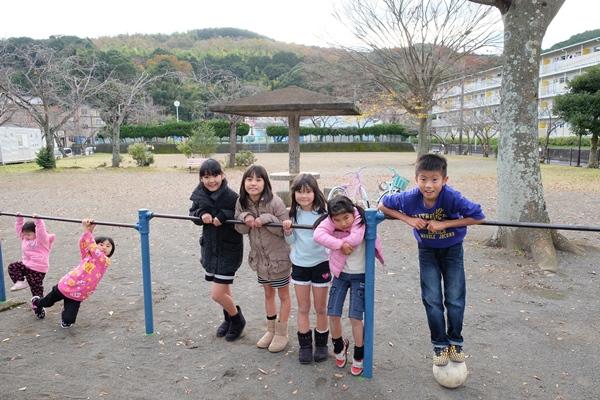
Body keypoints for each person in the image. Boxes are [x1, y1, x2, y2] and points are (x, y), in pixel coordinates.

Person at [378, 154, 485, 367]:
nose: (428, 185)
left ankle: (455, 341)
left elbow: (479, 217)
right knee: (432, 298)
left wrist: (445, 224)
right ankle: (439, 344)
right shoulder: (409, 198)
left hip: (452, 250)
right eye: (423, 179)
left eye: (434, 179)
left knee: (454, 298)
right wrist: (408, 219)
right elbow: (383, 205)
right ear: (416, 179)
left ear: (444, 180)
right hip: (427, 251)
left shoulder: (452, 197)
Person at [313, 196, 384, 376]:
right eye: (336, 220)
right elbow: (317, 234)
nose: (342, 223)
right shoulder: (331, 224)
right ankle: (339, 345)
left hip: (360, 276)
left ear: (352, 212)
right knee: (333, 313)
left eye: (346, 218)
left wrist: (341, 242)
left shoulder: (361, 220)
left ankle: (359, 354)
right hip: (341, 275)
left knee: (355, 317)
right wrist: (339, 244)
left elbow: (355, 238)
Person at [235, 165, 292, 353]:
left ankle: (282, 332)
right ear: (244, 183)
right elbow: (240, 229)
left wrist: (267, 218)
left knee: (283, 295)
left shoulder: (275, 202)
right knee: (268, 294)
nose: (253, 183)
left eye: (258, 179)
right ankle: (271, 330)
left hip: (278, 259)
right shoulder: (241, 202)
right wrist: (245, 217)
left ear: (265, 183)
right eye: (249, 179)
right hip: (260, 260)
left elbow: (283, 232)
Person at [189, 158, 245, 341]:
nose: (211, 180)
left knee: (217, 293)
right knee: (225, 290)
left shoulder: (231, 196)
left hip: (229, 250)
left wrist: (223, 216)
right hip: (211, 248)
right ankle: (228, 319)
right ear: (201, 179)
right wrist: (201, 214)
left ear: (222, 175)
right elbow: (192, 213)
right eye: (206, 177)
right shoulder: (199, 195)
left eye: (215, 175)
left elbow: (240, 215)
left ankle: (237, 320)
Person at [282, 174, 330, 364]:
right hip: (300, 265)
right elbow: (291, 241)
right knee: (303, 308)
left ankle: (321, 345)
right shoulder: (292, 215)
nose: (304, 196)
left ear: (314, 192)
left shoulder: (324, 215)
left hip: (320, 264)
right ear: (294, 194)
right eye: (300, 192)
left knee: (320, 308)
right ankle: (305, 346)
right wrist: (287, 230)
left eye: (308, 192)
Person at [31, 219, 115, 328]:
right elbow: (84, 244)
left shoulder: (104, 261)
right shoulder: (87, 256)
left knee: (68, 321)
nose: (104, 247)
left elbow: (95, 250)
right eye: (101, 244)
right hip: (65, 286)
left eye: (108, 246)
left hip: (78, 294)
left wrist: (87, 231)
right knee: (46, 303)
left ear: (111, 251)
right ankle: (36, 302)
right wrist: (88, 231)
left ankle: (66, 312)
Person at [8, 213, 56, 298]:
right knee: (13, 267)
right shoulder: (24, 238)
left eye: (29, 234)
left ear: (36, 233)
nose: (26, 236)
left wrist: (38, 221)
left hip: (38, 269)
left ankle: (39, 306)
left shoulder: (41, 241)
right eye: (24, 234)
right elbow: (19, 229)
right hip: (27, 265)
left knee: (35, 288)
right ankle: (20, 282)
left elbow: (41, 231)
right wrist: (19, 219)